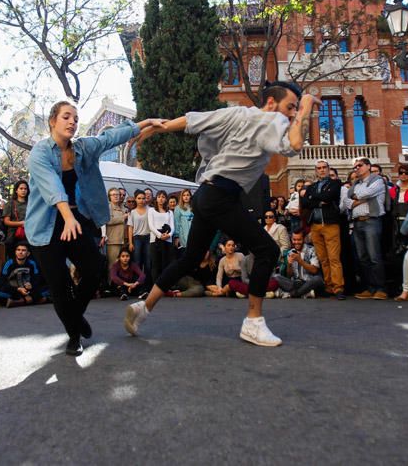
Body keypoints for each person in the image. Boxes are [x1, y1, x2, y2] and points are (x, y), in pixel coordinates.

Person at [123, 80, 317, 347]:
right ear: (271, 103)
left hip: (205, 194)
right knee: (268, 251)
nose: (292, 113)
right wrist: (306, 107)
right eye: (290, 107)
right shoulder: (274, 120)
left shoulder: (240, 112)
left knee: (189, 258)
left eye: (295, 109)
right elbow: (294, 144)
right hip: (221, 196)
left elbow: (196, 120)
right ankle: (253, 322)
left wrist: (162, 126)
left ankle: (144, 308)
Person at [26, 100, 164, 356]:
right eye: (66, 117)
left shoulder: (83, 148)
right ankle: (74, 335)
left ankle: (75, 317)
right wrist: (67, 217)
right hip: (45, 226)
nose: (72, 122)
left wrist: (146, 123)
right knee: (60, 285)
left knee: (95, 267)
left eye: (76, 119)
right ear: (53, 121)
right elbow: (52, 187)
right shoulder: (40, 153)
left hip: (74, 220)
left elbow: (111, 136)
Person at [344, 157, 388, 300]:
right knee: (362, 258)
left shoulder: (377, 180)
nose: (357, 168)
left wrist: (358, 198)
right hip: (357, 222)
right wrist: (360, 199)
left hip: (371, 221)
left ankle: (380, 289)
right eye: (355, 166)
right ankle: (369, 288)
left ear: (368, 166)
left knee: (374, 256)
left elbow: (366, 193)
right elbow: (347, 201)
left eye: (360, 165)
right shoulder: (355, 184)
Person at [302, 159, 345, 299]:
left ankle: (338, 288)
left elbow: (328, 196)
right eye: (319, 168)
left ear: (328, 168)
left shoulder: (335, 183)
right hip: (315, 225)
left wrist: (315, 198)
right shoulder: (312, 186)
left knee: (334, 258)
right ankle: (329, 287)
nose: (322, 170)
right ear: (316, 170)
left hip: (330, 224)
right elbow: (306, 203)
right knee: (323, 259)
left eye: (324, 167)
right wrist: (319, 200)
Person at [271, 230, 324, 298]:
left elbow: (314, 270)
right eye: (294, 240)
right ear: (291, 239)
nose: (296, 242)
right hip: (295, 283)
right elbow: (289, 275)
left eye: (299, 240)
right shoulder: (290, 252)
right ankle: (303, 293)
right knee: (276, 276)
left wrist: (300, 261)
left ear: (304, 239)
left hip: (308, 282)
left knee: (317, 279)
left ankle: (292, 294)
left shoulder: (311, 250)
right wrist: (289, 265)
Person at [0, 242, 48, 307]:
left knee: (48, 290)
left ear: (28, 253)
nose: (20, 252)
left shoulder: (32, 263)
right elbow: (2, 282)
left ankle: (19, 302)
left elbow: (37, 278)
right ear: (15, 252)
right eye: (18, 250)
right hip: (15, 290)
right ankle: (33, 300)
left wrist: (31, 285)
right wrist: (17, 289)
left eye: (23, 250)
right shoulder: (9, 263)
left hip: (29, 290)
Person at [147, 190, 174, 288]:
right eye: (159, 196)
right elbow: (151, 225)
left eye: (163, 197)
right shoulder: (151, 210)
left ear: (166, 199)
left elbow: (172, 226)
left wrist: (169, 235)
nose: (161, 199)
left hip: (167, 240)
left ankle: (165, 286)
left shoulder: (170, 212)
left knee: (166, 264)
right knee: (155, 264)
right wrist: (160, 235)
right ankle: (155, 287)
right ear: (156, 198)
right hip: (155, 241)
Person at [102, 188, 128, 277]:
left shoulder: (124, 208)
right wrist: (122, 218)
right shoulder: (108, 207)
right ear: (109, 197)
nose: (117, 196)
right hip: (113, 241)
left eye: (118, 194)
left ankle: (119, 286)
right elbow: (107, 221)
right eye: (114, 195)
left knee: (123, 266)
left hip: (124, 241)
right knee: (112, 265)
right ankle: (110, 287)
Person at [127, 189, 151, 277]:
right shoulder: (132, 212)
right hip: (137, 239)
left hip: (148, 238)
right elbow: (130, 228)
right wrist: (130, 243)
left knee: (148, 262)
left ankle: (148, 285)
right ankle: (138, 284)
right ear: (135, 199)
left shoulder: (150, 210)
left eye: (143, 198)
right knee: (137, 262)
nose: (141, 200)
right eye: (139, 198)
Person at [3, 180, 29, 256]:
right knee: (12, 259)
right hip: (13, 236)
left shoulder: (31, 204)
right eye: (21, 188)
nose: (23, 190)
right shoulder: (10, 204)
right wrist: (21, 223)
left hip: (29, 235)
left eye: (25, 189)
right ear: (16, 190)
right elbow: (6, 221)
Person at [173, 189, 194, 258]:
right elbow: (177, 223)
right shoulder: (178, 208)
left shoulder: (194, 207)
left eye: (188, 195)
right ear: (181, 197)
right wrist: (176, 237)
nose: (186, 197)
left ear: (190, 196)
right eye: (184, 195)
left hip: (193, 235)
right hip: (182, 236)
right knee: (183, 257)